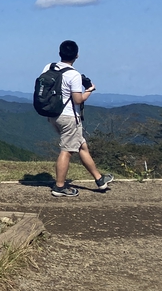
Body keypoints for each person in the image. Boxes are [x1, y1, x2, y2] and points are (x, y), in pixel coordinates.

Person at [45, 40, 113, 197]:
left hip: (53, 115)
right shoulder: (73, 75)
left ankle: (100, 179)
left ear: (60, 53)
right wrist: (89, 90)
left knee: (82, 145)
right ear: (77, 55)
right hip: (69, 117)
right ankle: (59, 187)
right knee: (67, 150)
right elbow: (78, 100)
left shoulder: (49, 67)